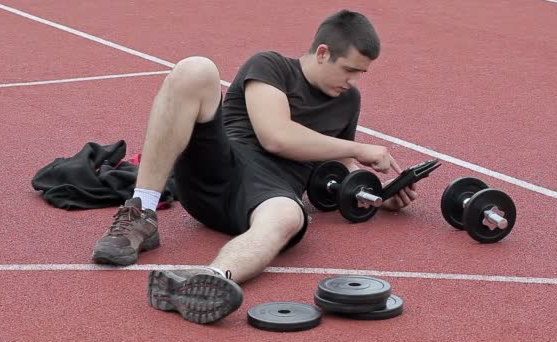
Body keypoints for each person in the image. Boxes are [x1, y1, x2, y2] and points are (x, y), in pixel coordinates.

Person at [92, 9, 417, 324]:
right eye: (349, 69)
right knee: (196, 69)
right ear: (322, 53)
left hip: (270, 194)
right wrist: (361, 148)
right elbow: (275, 136)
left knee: (290, 215)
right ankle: (142, 212)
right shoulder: (272, 66)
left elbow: (342, 163)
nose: (354, 81)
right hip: (221, 166)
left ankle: (206, 281)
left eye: (362, 73)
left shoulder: (349, 101)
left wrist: (376, 194)